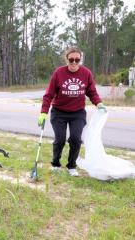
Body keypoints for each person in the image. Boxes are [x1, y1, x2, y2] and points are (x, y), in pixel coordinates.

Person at [38, 46, 107, 177]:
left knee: (75, 139)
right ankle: (56, 164)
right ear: (66, 59)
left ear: (80, 60)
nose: (74, 63)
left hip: (77, 113)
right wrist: (43, 112)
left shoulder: (86, 73)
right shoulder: (59, 73)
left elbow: (91, 92)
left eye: (77, 60)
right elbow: (49, 95)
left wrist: (99, 103)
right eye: (71, 60)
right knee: (60, 139)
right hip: (59, 112)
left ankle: (71, 166)